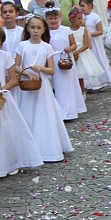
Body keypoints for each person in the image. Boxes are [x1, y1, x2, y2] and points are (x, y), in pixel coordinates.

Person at [0, 22, 43, 178]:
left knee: (7, 131)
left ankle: (10, 162)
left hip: (2, 98)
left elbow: (13, 79)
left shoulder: (5, 56)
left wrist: (2, 89)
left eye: (1, 44)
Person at [13, 14, 73, 162]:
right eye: (32, 27)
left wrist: (41, 68)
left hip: (42, 86)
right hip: (27, 87)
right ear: (27, 28)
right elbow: (16, 66)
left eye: (38, 28)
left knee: (43, 115)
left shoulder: (47, 47)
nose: (35, 31)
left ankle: (47, 149)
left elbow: (51, 70)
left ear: (43, 29)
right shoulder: (23, 46)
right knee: (28, 114)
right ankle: (28, 150)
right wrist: (26, 72)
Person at [45, 6, 85, 120]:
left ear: (60, 18)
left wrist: (69, 48)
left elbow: (74, 44)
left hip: (65, 58)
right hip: (53, 59)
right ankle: (60, 111)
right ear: (47, 19)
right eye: (50, 18)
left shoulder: (66, 30)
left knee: (67, 85)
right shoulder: (46, 32)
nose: (53, 21)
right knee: (57, 86)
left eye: (55, 18)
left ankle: (69, 112)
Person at [79, 0, 111, 90]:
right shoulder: (81, 17)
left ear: (90, 6)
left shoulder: (95, 17)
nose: (82, 8)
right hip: (85, 41)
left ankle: (100, 81)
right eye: (80, 6)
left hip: (94, 42)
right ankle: (88, 83)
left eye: (83, 6)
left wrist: (89, 34)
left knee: (97, 60)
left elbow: (100, 31)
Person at [68, 6, 103, 96]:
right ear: (72, 19)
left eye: (82, 18)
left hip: (81, 52)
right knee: (71, 75)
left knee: (80, 76)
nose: (81, 20)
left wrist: (77, 52)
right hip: (71, 52)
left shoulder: (83, 30)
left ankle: (82, 92)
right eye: (78, 18)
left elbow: (87, 45)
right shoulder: (67, 30)